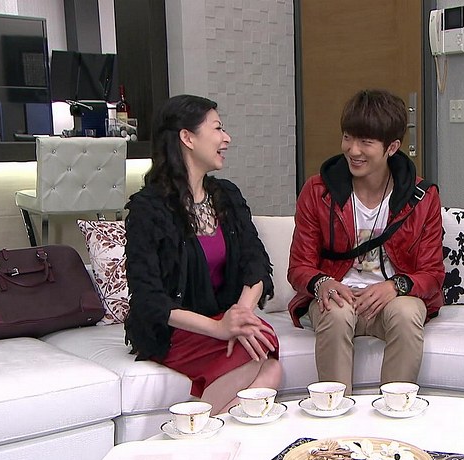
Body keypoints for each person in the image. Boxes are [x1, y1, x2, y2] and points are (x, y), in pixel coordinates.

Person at [124, 94, 281, 415]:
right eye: (218, 128)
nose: (227, 138)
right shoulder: (148, 208)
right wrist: (220, 329)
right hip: (175, 330)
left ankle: (200, 428)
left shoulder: (227, 196)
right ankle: (196, 432)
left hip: (223, 318)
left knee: (265, 347)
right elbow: (149, 299)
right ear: (187, 138)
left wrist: (241, 315)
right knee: (256, 356)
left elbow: (256, 263)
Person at [287, 89, 445, 395]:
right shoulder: (317, 191)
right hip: (339, 297)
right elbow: (299, 267)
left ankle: (395, 408)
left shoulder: (422, 197)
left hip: (391, 300)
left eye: (366, 142)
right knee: (335, 312)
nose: (353, 150)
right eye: (348, 137)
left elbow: (432, 273)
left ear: (392, 147)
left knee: (407, 313)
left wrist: (395, 286)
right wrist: (322, 283)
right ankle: (334, 409)